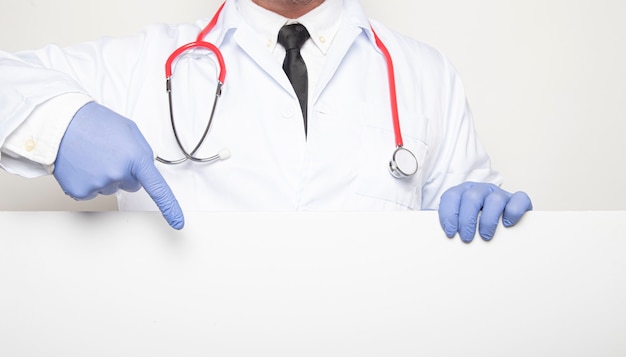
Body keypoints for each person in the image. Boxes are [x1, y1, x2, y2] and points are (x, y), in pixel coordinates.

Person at [0, 0, 532, 242]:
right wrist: (62, 121)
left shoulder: (427, 75)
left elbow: (473, 233)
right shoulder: (141, 62)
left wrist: (487, 214)